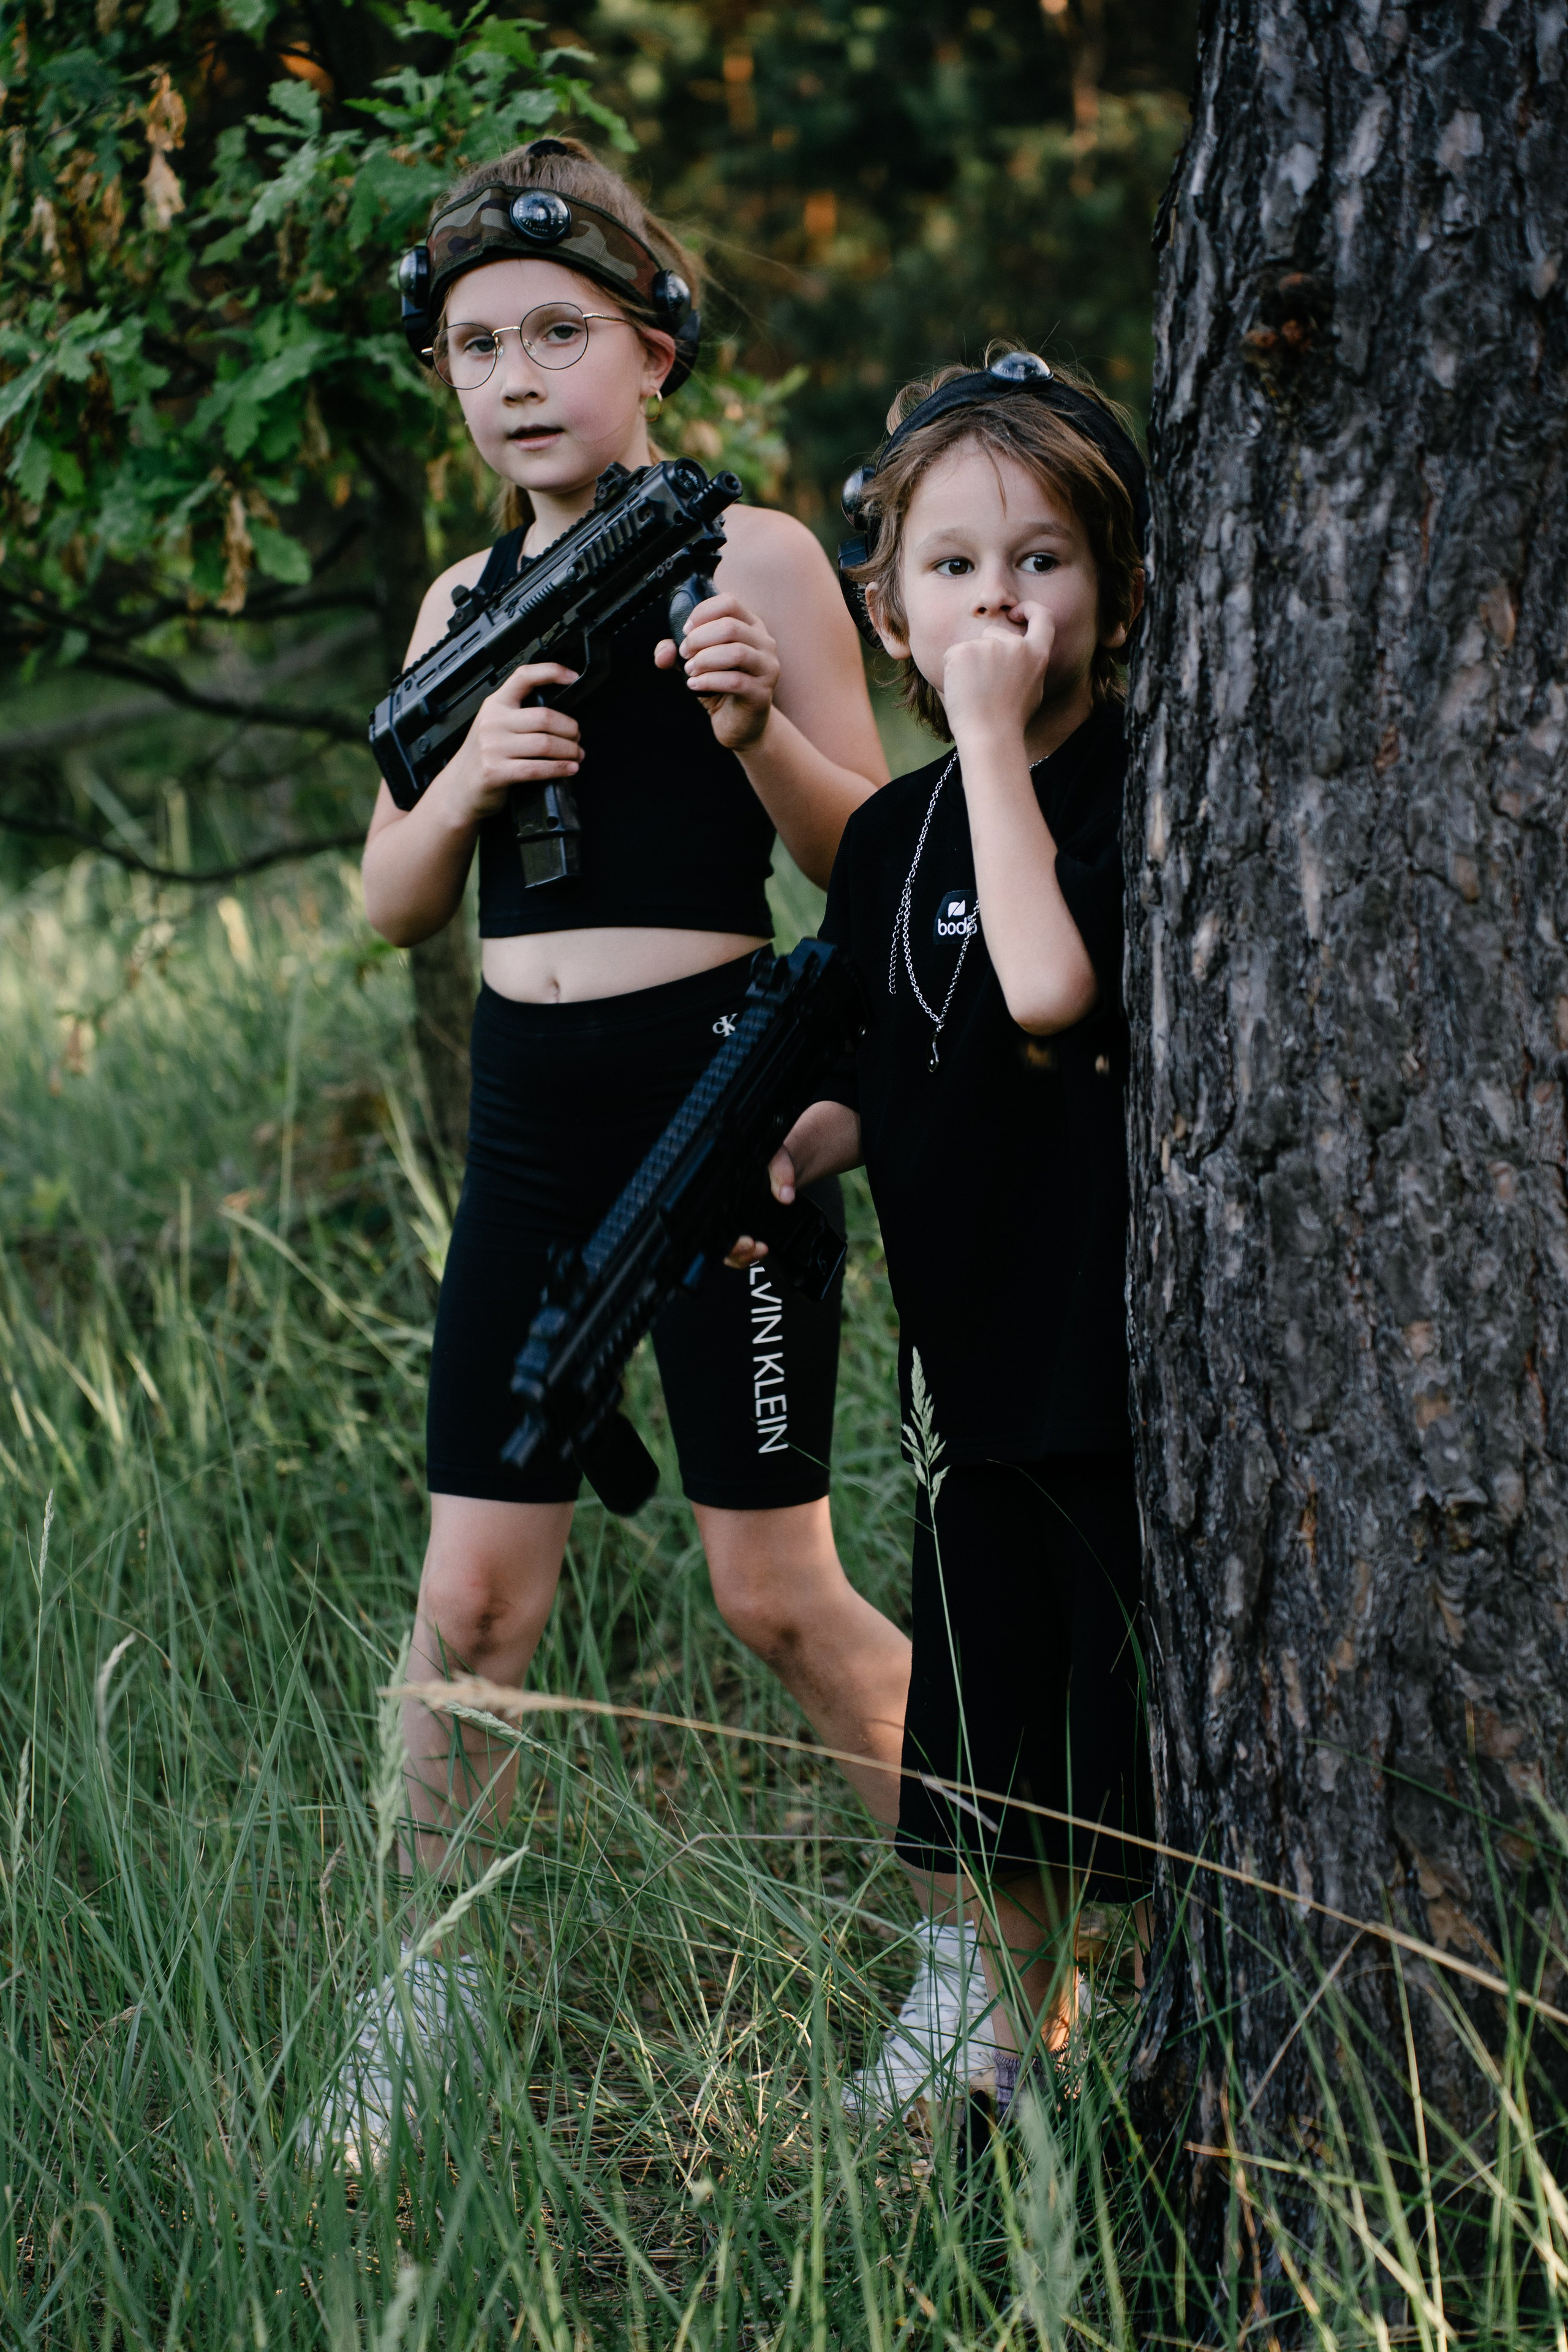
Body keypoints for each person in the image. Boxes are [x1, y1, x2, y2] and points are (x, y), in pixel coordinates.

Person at [312, 137, 913, 2168]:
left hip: (709, 1098)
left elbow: (868, 861)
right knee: (472, 1601)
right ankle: (429, 1997)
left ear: (649, 350)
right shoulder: (460, 596)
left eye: (559, 332)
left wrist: (758, 732)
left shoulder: (748, 557)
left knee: (773, 1590)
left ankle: (980, 1956)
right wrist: (465, 768)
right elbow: (391, 900)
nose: (516, 376)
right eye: (477, 345)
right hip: (532, 1119)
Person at [729, 350, 1155, 2140]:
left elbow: (1051, 993)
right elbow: (909, 1039)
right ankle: (998, 2012)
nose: (1001, 597)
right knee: (981, 1717)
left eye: (1043, 559)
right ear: (887, 613)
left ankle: (1155, 2003)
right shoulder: (891, 835)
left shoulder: (1133, 782)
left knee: (1125, 1703)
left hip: (1108, 1345)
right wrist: (820, 1130)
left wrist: (993, 740)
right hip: (960, 1360)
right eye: (955, 566)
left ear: (1117, 593)